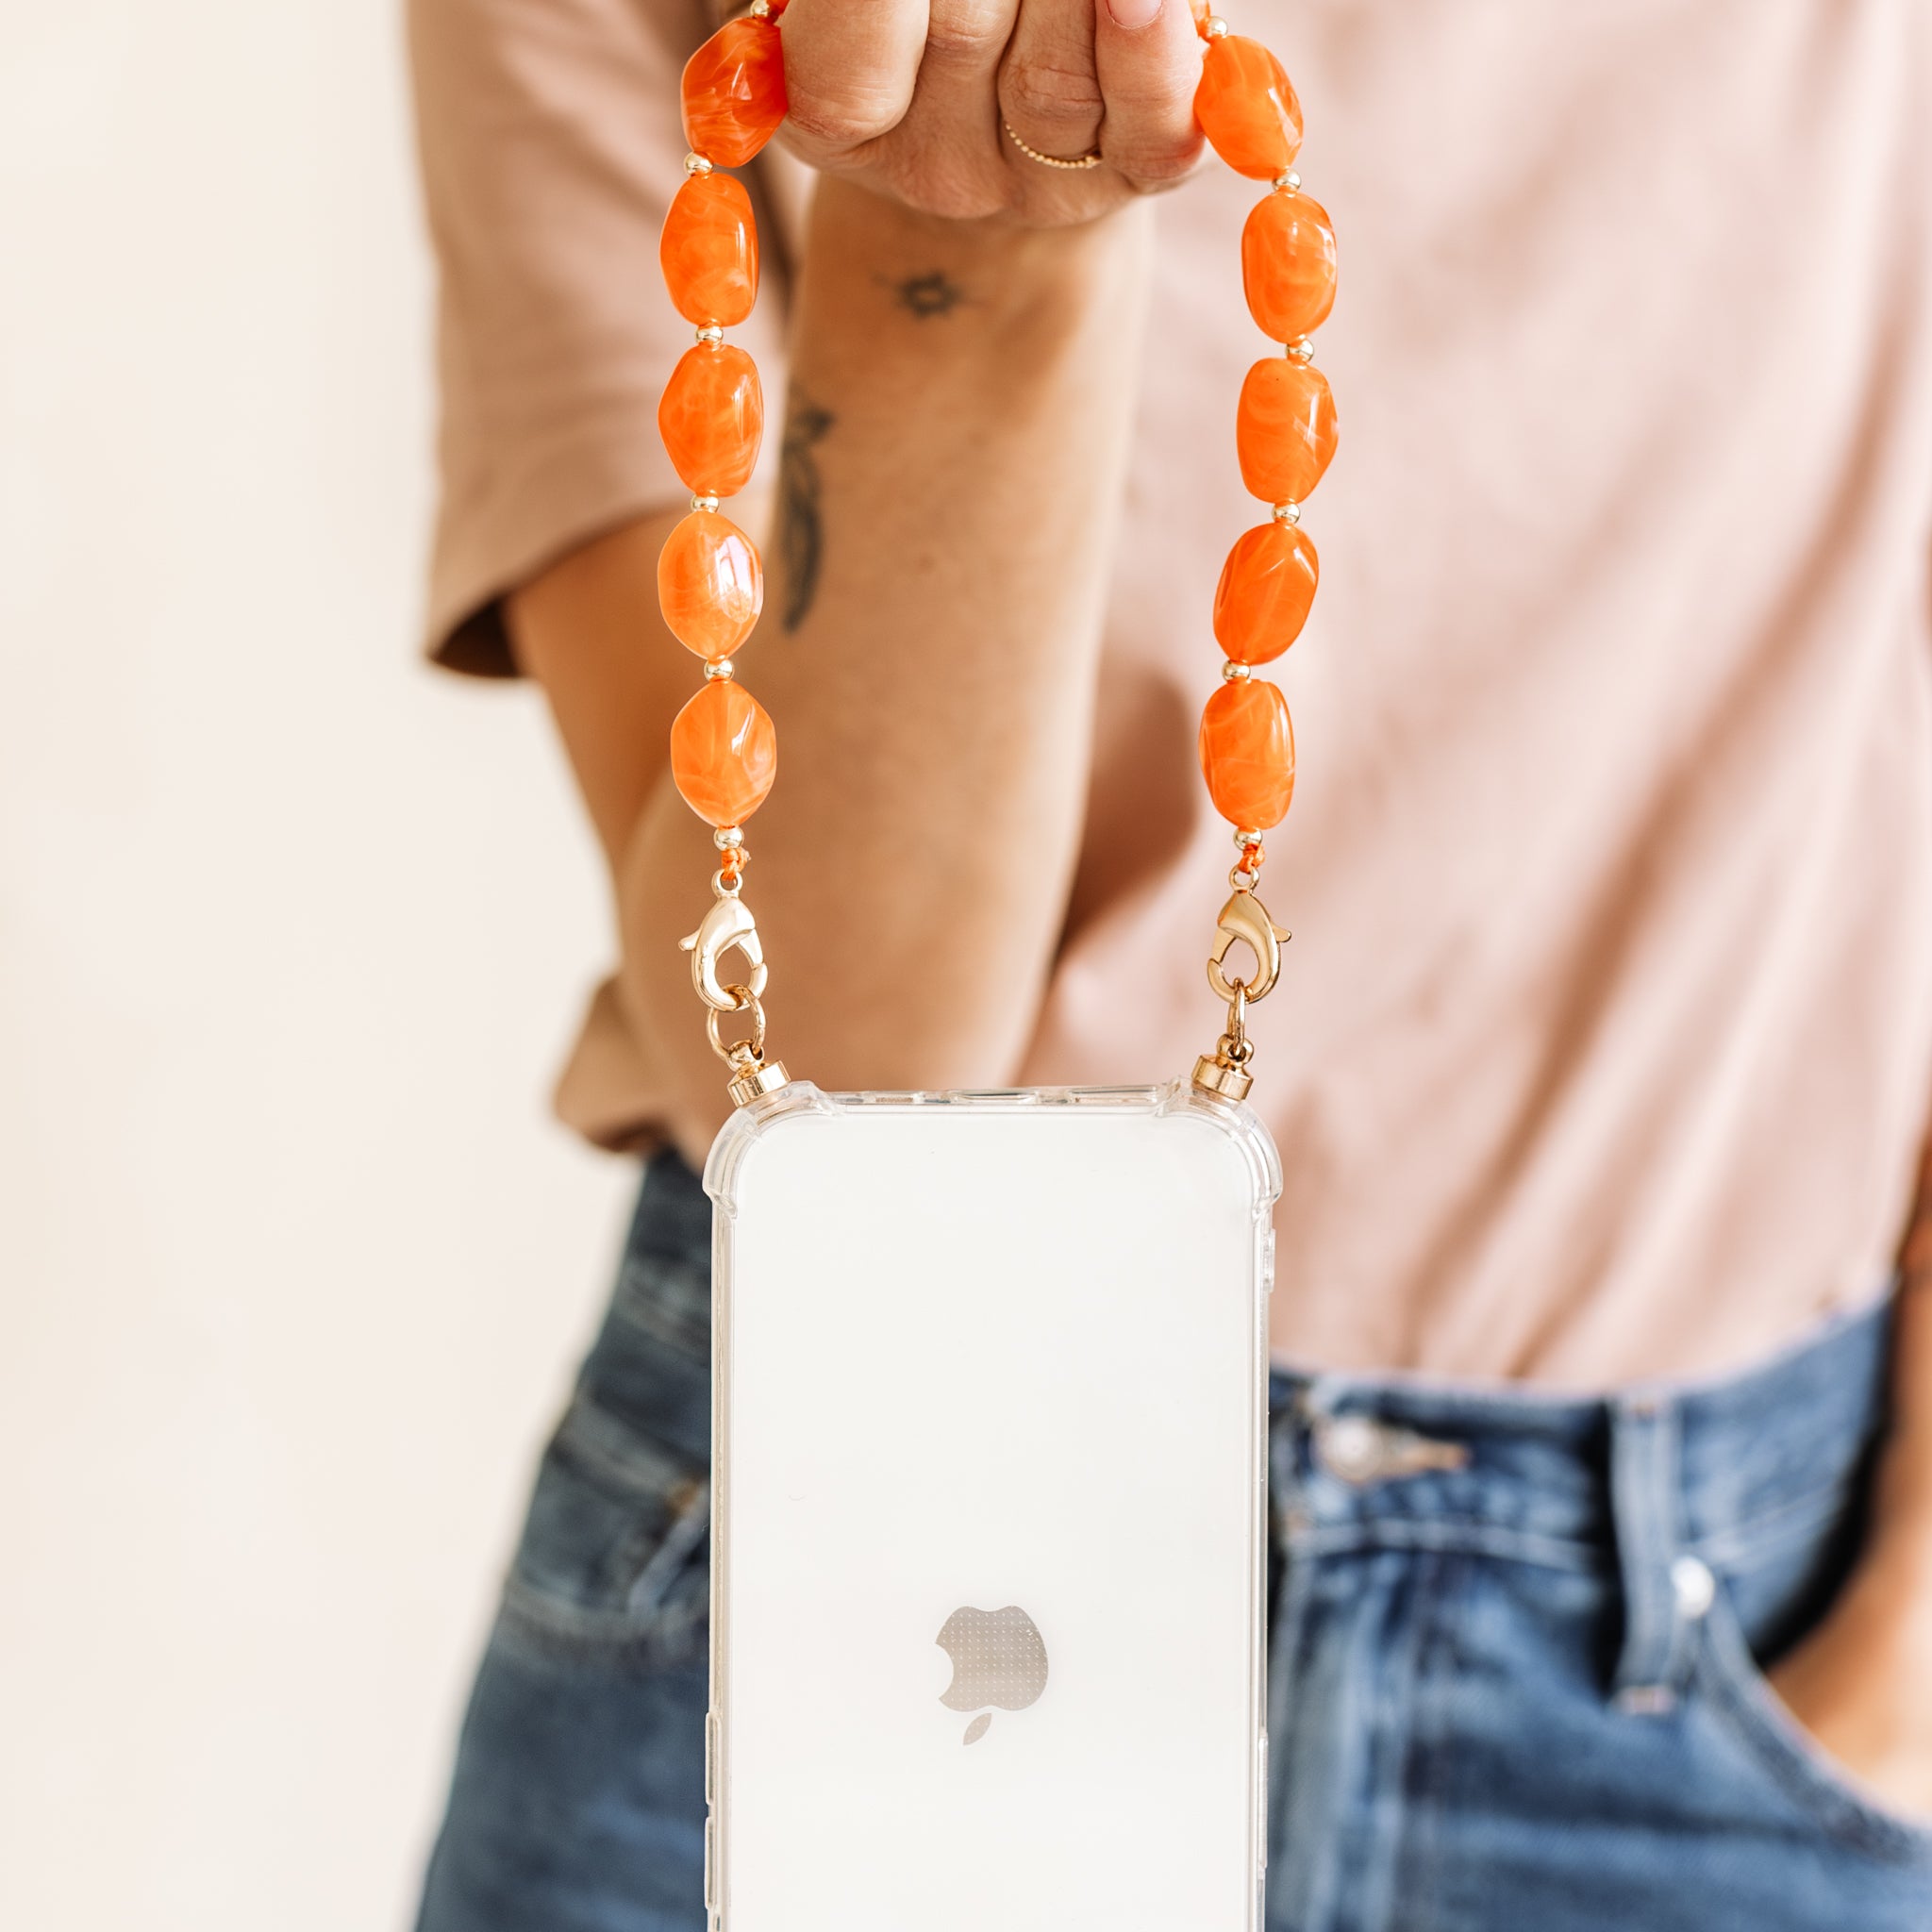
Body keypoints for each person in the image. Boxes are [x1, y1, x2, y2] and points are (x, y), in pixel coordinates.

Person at [405, 0, 1932, 1925]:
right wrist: (970, 267)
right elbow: (811, 1078)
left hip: (1721, 1640)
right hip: (857, 1559)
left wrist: (1907, 1650)